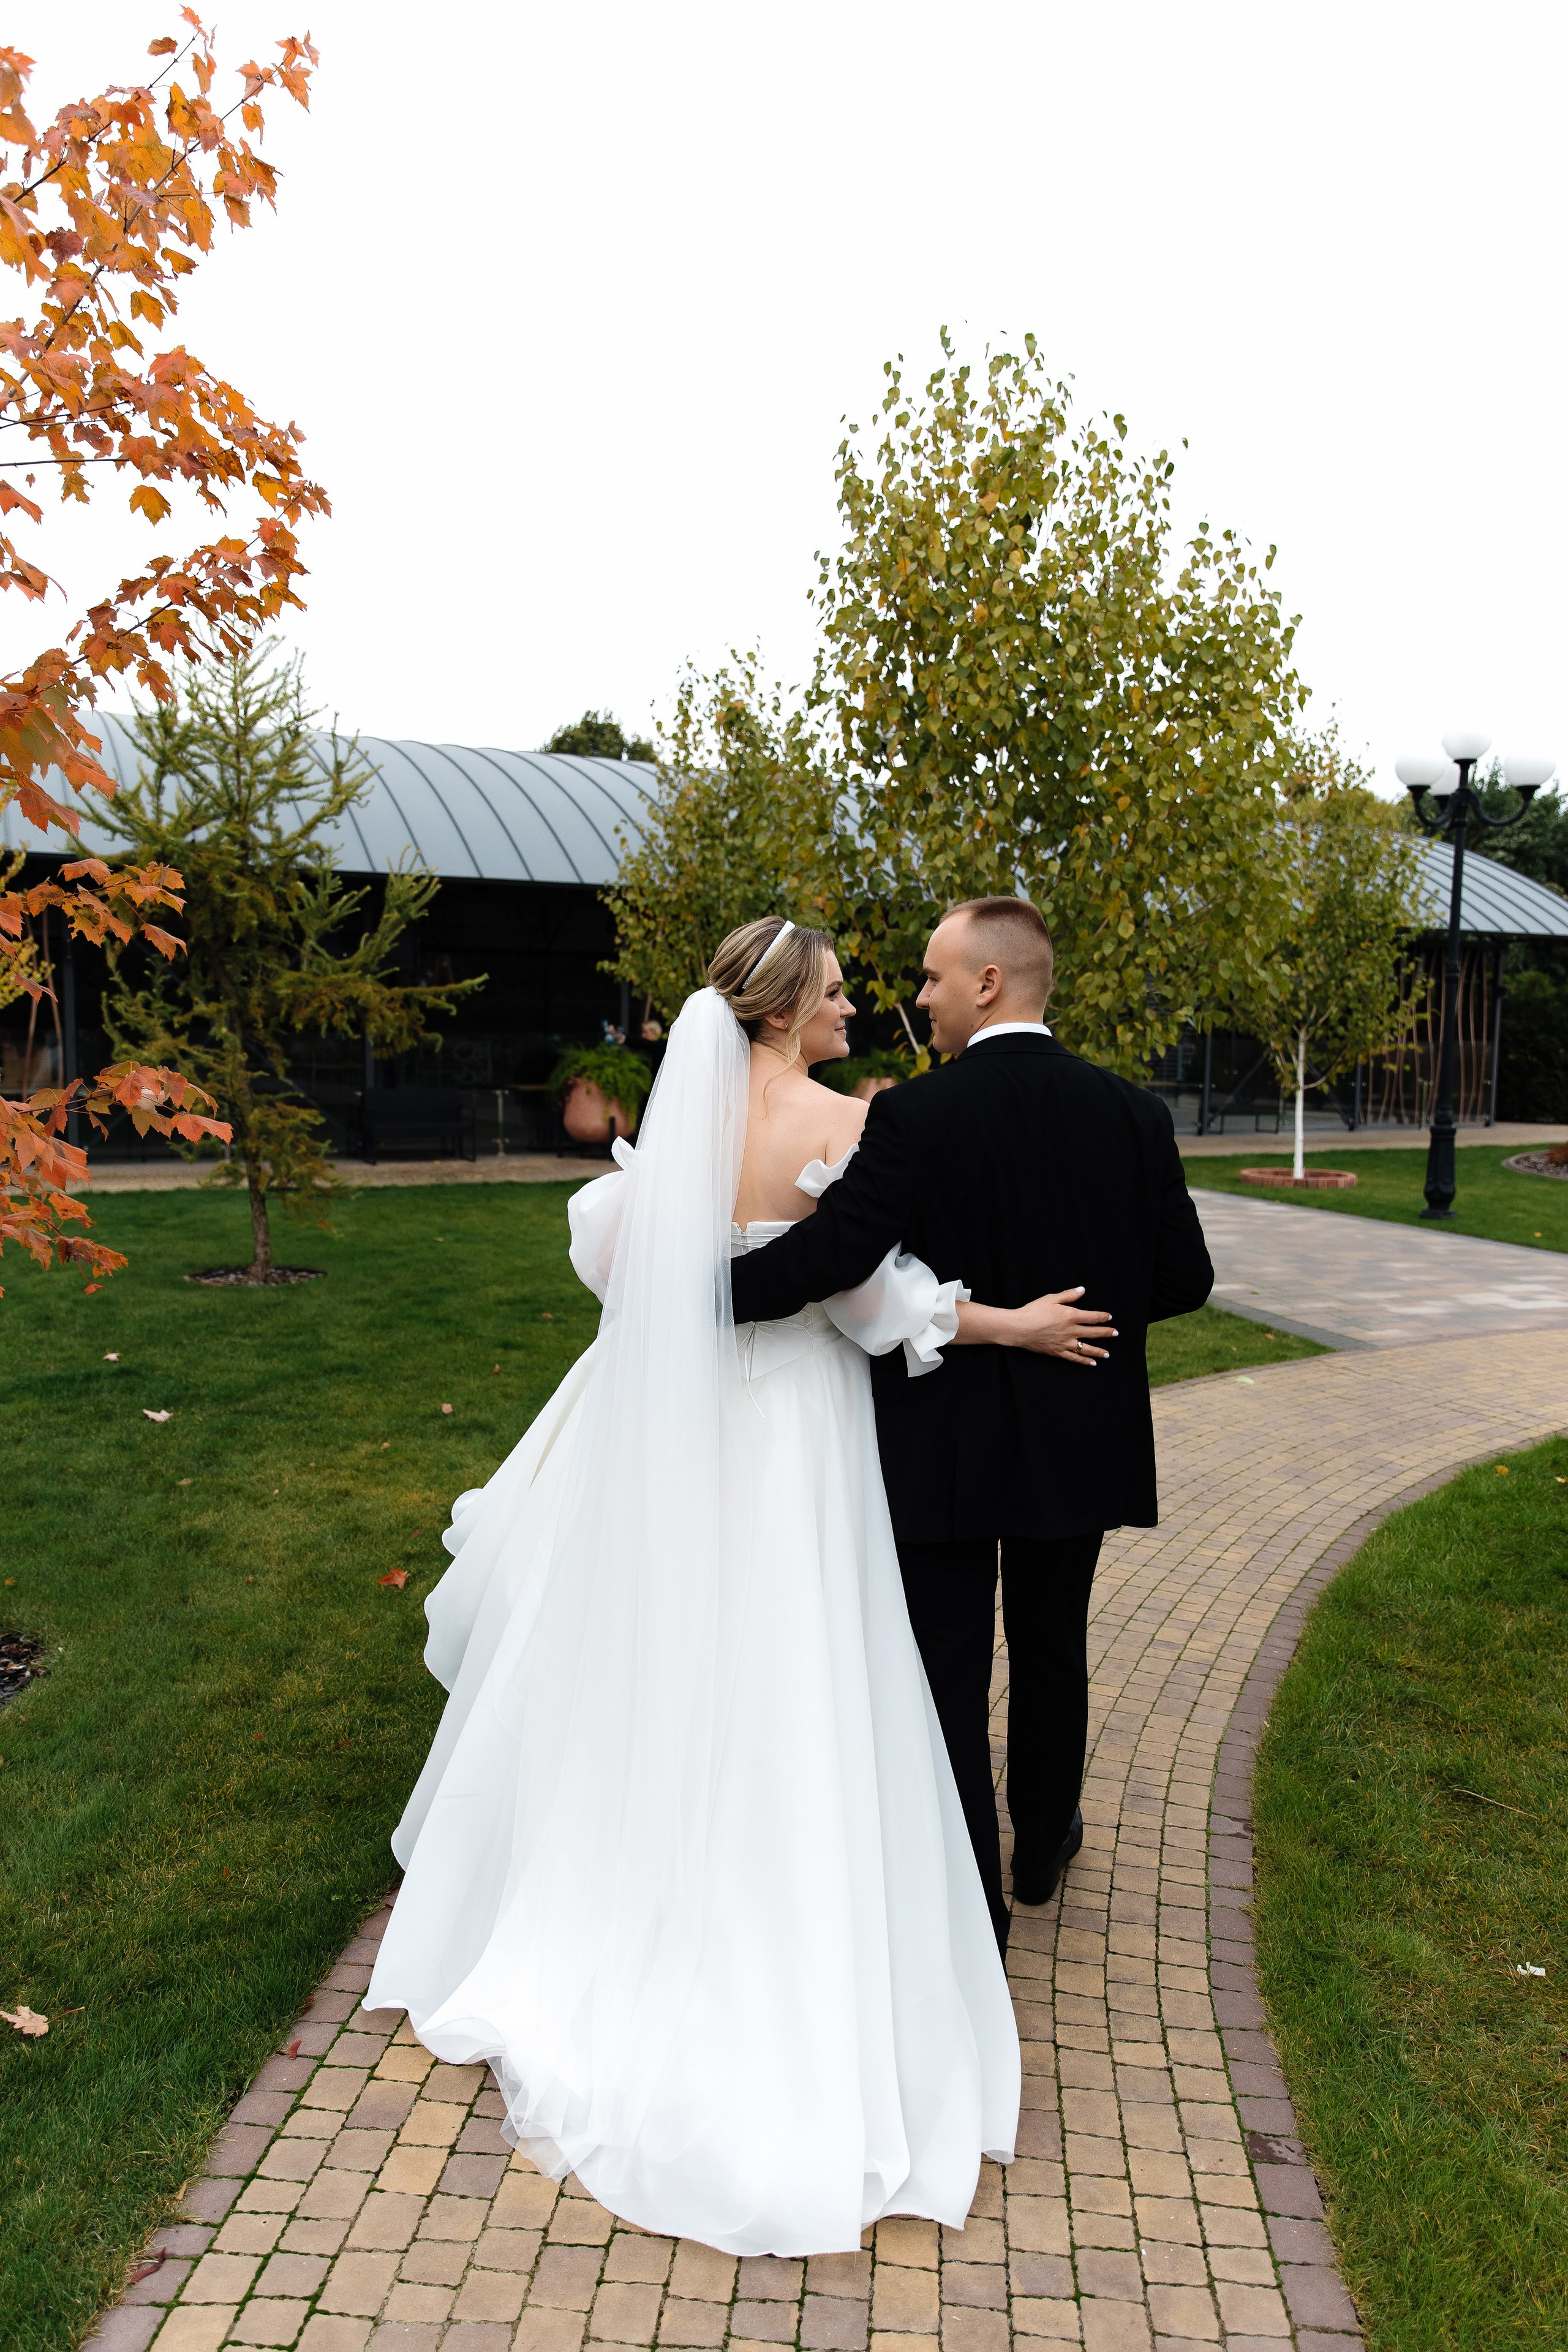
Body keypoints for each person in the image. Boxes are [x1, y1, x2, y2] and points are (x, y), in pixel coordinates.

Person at [366, 916, 1093, 2256]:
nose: (849, 1004)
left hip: (681, 1432)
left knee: (670, 1656)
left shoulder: (684, 1124)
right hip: (797, 1434)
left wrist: (685, 1289)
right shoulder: (846, 1123)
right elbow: (861, 1302)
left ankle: (620, 1895)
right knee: (795, 1668)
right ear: (781, 1012)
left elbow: (607, 1258)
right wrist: (1001, 1321)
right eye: (830, 991)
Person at [729, 898, 1215, 1951]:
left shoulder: (918, 1115)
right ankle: (1043, 1848)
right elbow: (1186, 1277)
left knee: (949, 1660)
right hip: (1077, 1434)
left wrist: (697, 1296)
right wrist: (1090, 1321)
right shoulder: (1135, 1113)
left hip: (940, 1440)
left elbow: (833, 1258)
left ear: (988, 984)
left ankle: (972, 1897)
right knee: (1052, 1646)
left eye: (933, 978)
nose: (918, 998)